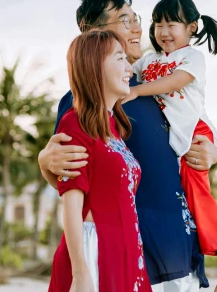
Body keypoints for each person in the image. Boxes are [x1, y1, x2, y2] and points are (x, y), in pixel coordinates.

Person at [39, 0, 217, 291]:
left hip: (176, 242)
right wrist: (45, 161)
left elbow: (201, 126)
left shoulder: (157, 86)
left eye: (136, 18)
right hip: (127, 248)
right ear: (93, 35)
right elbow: (74, 180)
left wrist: (214, 152)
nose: (139, 27)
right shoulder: (82, 101)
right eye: (125, 20)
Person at [124, 0, 217, 292]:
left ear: (191, 27)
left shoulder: (192, 57)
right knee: (186, 199)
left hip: (195, 133)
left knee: (197, 194)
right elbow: (125, 74)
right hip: (174, 136)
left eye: (172, 23)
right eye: (158, 23)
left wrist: (138, 92)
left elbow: (175, 82)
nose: (163, 31)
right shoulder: (149, 60)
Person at [49, 30, 149, 292]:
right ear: (94, 64)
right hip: (95, 250)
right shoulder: (75, 122)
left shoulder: (113, 126)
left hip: (127, 249)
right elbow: (72, 204)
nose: (129, 68)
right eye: (120, 58)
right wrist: (80, 273)